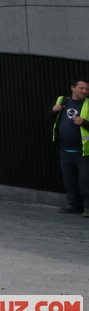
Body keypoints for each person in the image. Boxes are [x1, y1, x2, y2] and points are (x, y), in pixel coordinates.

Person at [51, 80, 89, 215]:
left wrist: (84, 122)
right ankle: (74, 204)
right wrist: (53, 111)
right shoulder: (63, 101)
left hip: (83, 151)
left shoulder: (88, 104)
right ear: (73, 88)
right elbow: (51, 120)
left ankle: (87, 206)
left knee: (85, 180)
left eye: (86, 89)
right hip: (65, 149)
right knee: (69, 179)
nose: (84, 91)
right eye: (81, 88)